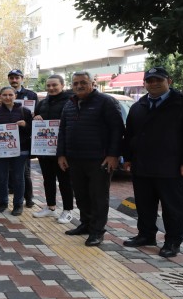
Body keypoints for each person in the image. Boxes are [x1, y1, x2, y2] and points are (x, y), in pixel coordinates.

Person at [122, 67, 183, 257]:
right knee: (144, 205)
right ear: (144, 83)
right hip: (142, 166)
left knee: (172, 208)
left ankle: (172, 242)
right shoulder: (139, 105)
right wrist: (127, 157)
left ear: (169, 81)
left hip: (172, 167)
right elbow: (130, 135)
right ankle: (146, 235)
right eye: (149, 80)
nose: (153, 84)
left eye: (158, 80)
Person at [57, 71, 124, 247]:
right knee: (81, 195)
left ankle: (97, 232)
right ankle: (86, 224)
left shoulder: (106, 102)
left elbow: (117, 130)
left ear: (92, 83)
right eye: (75, 83)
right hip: (74, 159)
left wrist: (113, 155)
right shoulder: (69, 104)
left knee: (98, 197)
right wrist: (61, 154)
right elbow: (62, 130)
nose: (79, 86)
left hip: (99, 160)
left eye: (83, 82)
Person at [0, 87, 33, 216]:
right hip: (0, 150)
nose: (7, 97)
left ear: (15, 95)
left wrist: (26, 125)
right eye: (4, 95)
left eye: (10, 94)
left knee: (18, 177)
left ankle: (18, 204)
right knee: (1, 177)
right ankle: (3, 202)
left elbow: (33, 132)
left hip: (20, 150)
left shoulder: (25, 111)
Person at [32, 74, 74, 224]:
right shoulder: (43, 103)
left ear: (62, 85)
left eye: (54, 85)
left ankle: (68, 210)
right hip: (44, 150)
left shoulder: (70, 101)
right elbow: (35, 119)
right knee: (48, 180)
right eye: (48, 85)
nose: (51, 88)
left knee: (65, 181)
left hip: (62, 150)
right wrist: (36, 118)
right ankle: (50, 208)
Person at [7, 69, 38, 208]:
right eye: (11, 78)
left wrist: (31, 120)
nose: (14, 80)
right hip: (7, 139)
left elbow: (37, 116)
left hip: (24, 139)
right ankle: (13, 193)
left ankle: (29, 198)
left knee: (25, 172)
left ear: (22, 78)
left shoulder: (31, 95)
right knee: (10, 171)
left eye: (16, 77)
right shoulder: (5, 92)